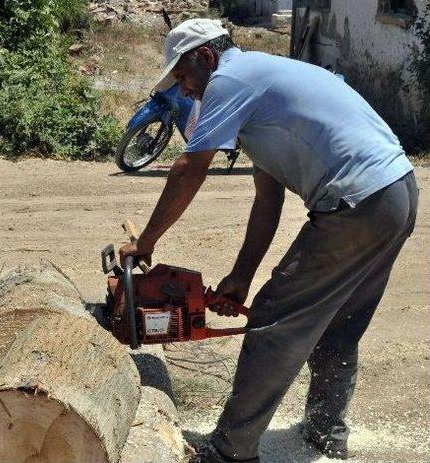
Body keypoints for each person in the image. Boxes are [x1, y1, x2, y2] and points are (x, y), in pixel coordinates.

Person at [119, 18, 417, 462]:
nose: (183, 91)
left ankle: (231, 452)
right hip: (396, 193)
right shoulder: (261, 81)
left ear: (205, 57)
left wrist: (145, 242)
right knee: (339, 323)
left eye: (182, 77)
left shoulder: (228, 80)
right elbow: (267, 199)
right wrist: (241, 276)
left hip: (356, 203)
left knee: (273, 321)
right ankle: (325, 432)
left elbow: (189, 168)